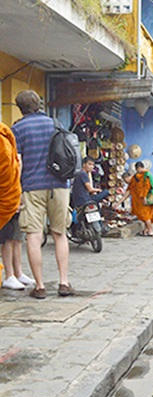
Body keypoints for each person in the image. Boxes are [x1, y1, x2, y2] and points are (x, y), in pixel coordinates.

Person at [12, 90, 72, 299]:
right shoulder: (55, 124)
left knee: (33, 235)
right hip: (59, 184)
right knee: (60, 234)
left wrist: (16, 190)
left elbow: (18, 162)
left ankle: (39, 286)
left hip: (32, 187)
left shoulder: (18, 129)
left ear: (20, 108)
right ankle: (64, 282)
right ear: (39, 104)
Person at [0, 122, 34, 290]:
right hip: (9, 195)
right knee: (8, 238)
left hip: (13, 193)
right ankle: (9, 274)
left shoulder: (8, 138)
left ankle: (17, 272)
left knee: (16, 237)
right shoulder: (7, 138)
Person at [115, 162, 153, 237]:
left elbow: (146, 187)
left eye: (125, 180)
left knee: (146, 216)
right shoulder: (133, 181)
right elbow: (127, 194)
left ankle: (150, 230)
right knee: (143, 216)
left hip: (144, 200)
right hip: (138, 202)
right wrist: (118, 203)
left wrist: (144, 197)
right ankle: (146, 230)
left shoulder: (141, 177)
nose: (126, 182)